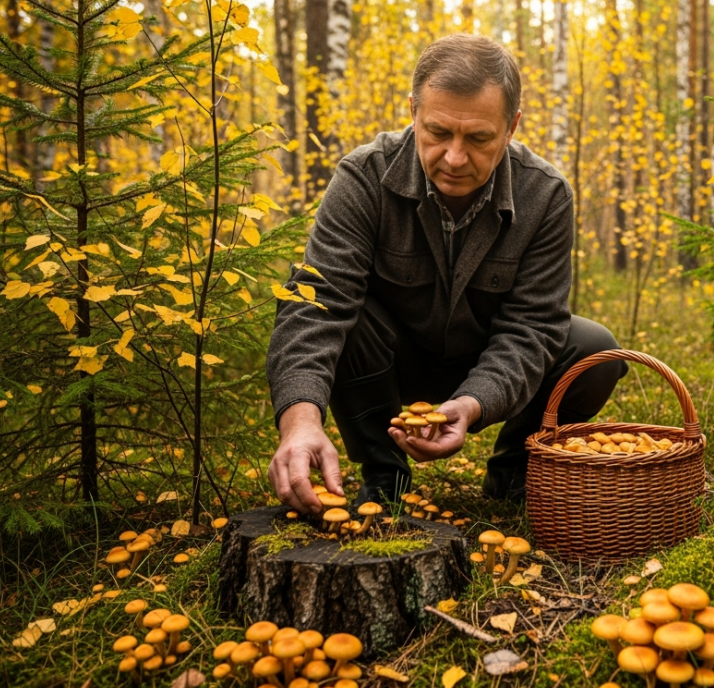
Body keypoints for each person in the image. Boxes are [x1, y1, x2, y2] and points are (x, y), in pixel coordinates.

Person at [265, 34, 627, 513]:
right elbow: (317, 305)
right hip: (387, 362)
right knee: (326, 307)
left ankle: (516, 472)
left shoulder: (546, 196)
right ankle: (384, 474)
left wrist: (474, 401)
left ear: (512, 126)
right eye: (437, 132)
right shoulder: (363, 177)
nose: (455, 158)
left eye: (478, 138)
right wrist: (299, 421)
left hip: (484, 357)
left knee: (595, 350)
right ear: (413, 111)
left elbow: (533, 326)